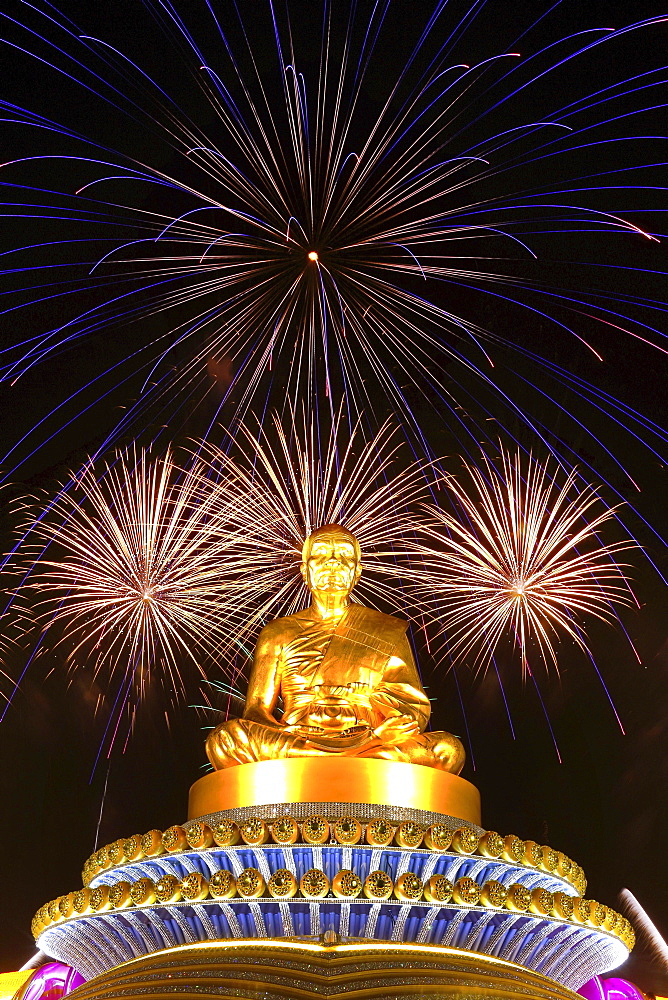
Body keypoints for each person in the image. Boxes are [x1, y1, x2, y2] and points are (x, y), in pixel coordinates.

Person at [206, 523, 465, 772]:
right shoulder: (278, 632)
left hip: (367, 736)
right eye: (320, 554)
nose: (333, 562)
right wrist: (287, 732)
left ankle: (324, 762)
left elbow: (411, 704)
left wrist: (384, 724)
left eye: (344, 555)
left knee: (447, 750)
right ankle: (347, 761)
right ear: (305, 570)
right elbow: (256, 710)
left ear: (357, 571)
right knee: (227, 739)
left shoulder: (384, 630)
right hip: (299, 737)